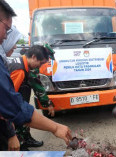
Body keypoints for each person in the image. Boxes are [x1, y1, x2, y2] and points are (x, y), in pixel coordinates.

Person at [0, 0, 72, 149]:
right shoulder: (19, 70)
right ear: (33, 57)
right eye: (6, 29)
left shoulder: (22, 66)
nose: (6, 37)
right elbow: (8, 104)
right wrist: (11, 133)